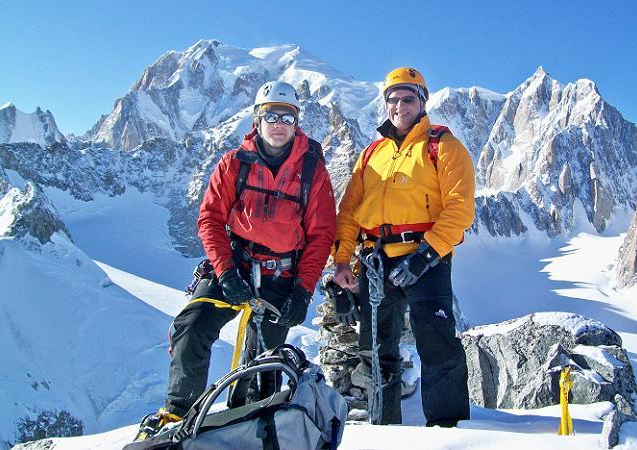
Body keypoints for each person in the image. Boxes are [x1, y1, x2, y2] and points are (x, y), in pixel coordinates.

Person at [137, 80, 336, 439]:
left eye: (287, 116)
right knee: (193, 324)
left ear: (297, 123)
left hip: (283, 274)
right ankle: (178, 414)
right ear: (257, 120)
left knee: (263, 360)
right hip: (236, 264)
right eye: (270, 115)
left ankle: (245, 424)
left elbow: (321, 235)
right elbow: (210, 220)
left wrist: (304, 291)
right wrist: (226, 271)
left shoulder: (312, 171)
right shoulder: (233, 164)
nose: (278, 123)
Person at [332, 67, 475, 427]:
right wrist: (342, 262)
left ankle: (449, 431)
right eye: (392, 99)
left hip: (426, 262)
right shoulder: (371, 154)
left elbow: (460, 207)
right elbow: (349, 212)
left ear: (422, 101)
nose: (399, 105)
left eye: (407, 98)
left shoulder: (443, 146)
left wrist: (425, 255)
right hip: (376, 264)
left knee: (438, 348)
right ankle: (384, 430)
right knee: (377, 353)